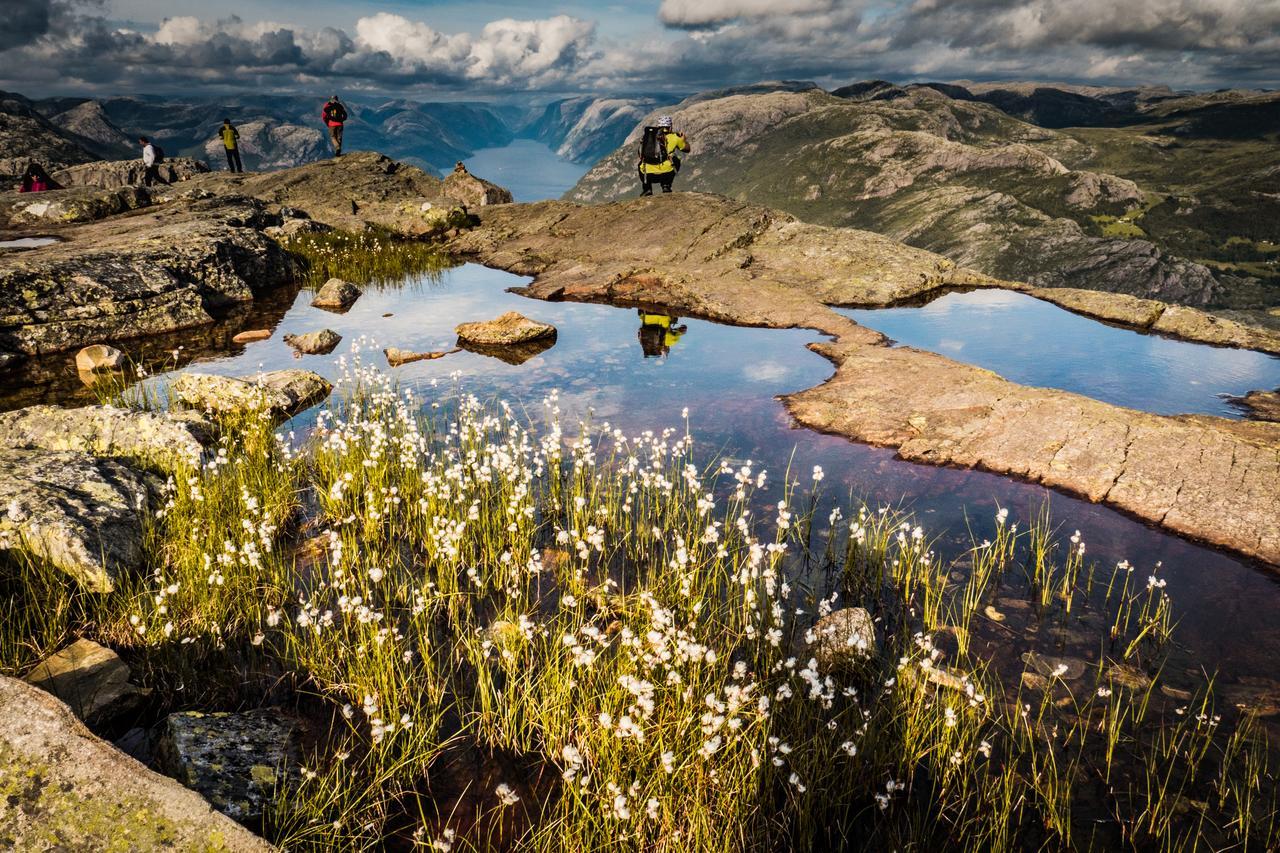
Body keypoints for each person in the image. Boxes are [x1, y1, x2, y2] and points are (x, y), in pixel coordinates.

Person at [637, 116, 691, 196]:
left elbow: (640, 154)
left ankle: (647, 189)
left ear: (658, 126)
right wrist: (683, 139)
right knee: (675, 159)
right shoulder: (675, 137)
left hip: (648, 175)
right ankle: (666, 185)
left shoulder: (648, 137)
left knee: (640, 165)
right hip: (666, 174)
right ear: (670, 127)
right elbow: (687, 149)